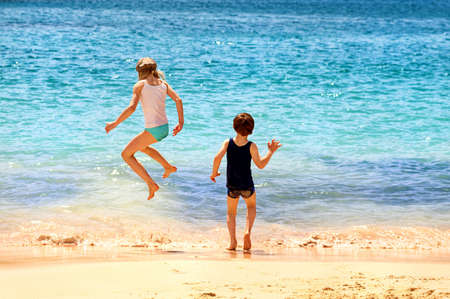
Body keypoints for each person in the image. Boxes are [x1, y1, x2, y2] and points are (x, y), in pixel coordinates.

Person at [105, 57, 184, 200]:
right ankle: (168, 167)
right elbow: (178, 100)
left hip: (153, 129)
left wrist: (114, 123)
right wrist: (180, 123)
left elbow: (131, 108)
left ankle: (151, 183)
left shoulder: (140, 85)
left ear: (140, 72)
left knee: (126, 155)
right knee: (142, 147)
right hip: (163, 128)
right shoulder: (163, 84)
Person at [210, 113, 281, 251]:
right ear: (251, 129)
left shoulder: (228, 143)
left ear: (234, 127)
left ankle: (232, 242)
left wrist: (214, 173)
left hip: (232, 185)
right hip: (247, 184)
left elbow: (216, 158)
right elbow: (260, 165)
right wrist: (270, 152)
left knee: (231, 213)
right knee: (251, 207)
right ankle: (247, 232)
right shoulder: (251, 146)